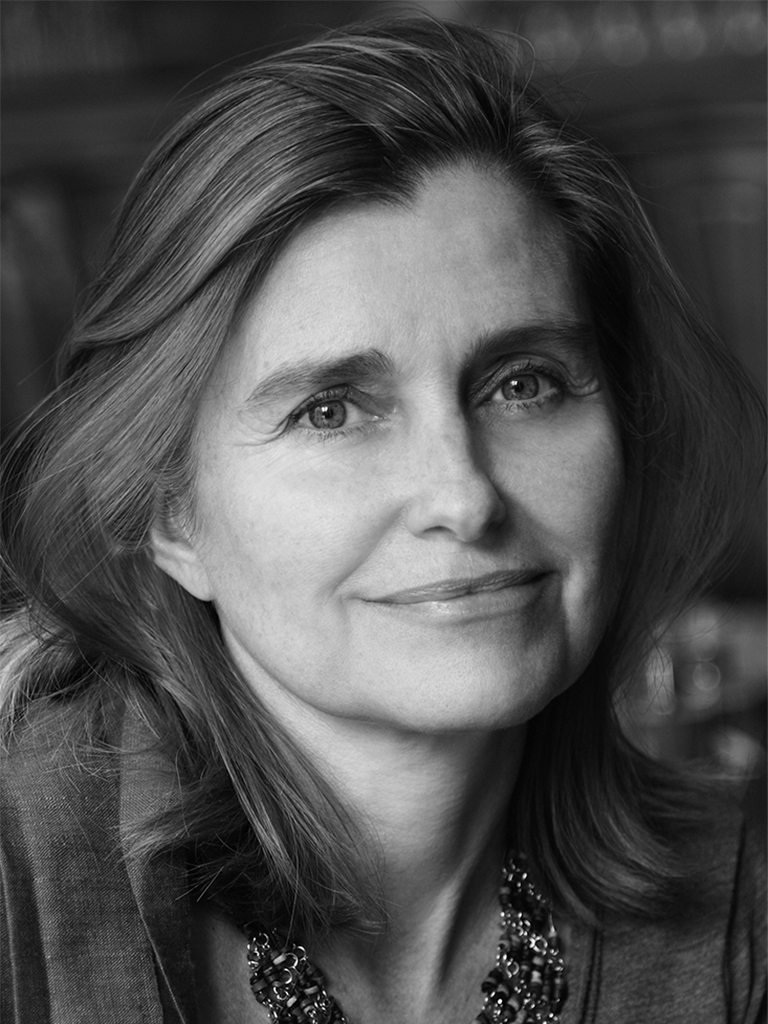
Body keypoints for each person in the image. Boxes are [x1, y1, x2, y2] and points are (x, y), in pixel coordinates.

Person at [1, 15, 765, 1024]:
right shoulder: (21, 887)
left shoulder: (740, 895)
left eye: (524, 384)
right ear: (169, 514)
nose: (465, 496)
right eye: (331, 411)